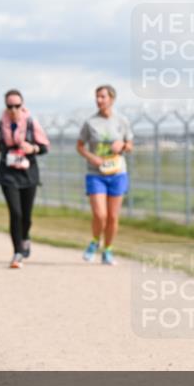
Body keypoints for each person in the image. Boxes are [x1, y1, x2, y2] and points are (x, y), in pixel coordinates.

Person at [0, 90, 50, 268]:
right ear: (6, 107)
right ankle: (17, 252)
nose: (13, 109)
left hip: (28, 172)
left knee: (26, 216)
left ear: (22, 105)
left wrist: (33, 149)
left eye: (17, 106)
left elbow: (45, 147)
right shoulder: (1, 125)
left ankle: (25, 236)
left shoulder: (31, 123)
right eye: (10, 106)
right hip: (8, 173)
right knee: (15, 213)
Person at [76, 84, 133, 266]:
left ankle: (108, 250)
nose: (99, 100)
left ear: (112, 99)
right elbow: (79, 146)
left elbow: (130, 145)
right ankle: (94, 241)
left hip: (117, 173)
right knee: (100, 215)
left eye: (103, 97)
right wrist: (92, 157)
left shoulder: (122, 121)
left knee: (113, 217)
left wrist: (123, 146)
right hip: (96, 174)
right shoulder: (90, 122)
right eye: (97, 97)